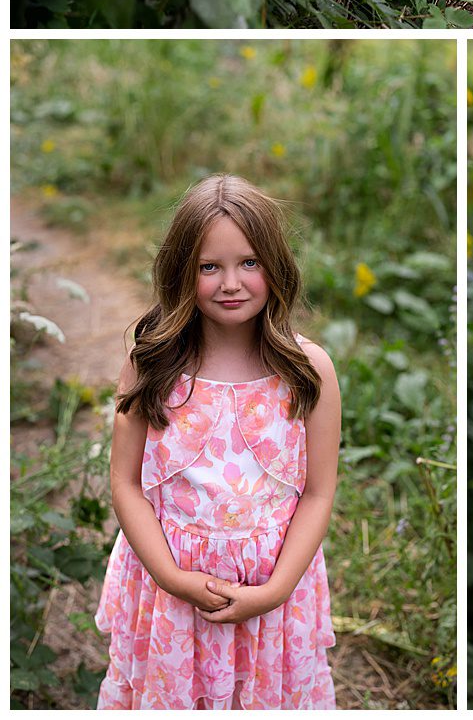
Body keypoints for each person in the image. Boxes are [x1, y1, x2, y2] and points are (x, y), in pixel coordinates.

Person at [97, 176, 341, 709]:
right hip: (174, 593)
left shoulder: (307, 370)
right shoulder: (153, 363)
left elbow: (319, 493)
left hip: (271, 596)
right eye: (210, 266)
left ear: (276, 266)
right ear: (183, 272)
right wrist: (171, 576)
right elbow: (126, 483)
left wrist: (273, 593)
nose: (231, 282)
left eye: (249, 262)